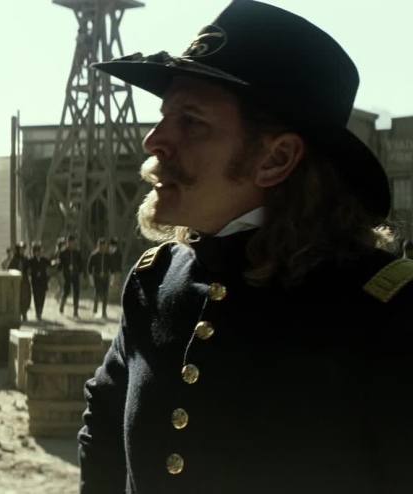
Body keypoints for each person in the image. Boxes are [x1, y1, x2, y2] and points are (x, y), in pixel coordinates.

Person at [78, 2, 413, 493]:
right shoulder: (154, 280)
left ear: (276, 159)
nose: (154, 141)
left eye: (191, 122)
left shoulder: (385, 313)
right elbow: (104, 423)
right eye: (164, 116)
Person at [58, 234, 83, 317]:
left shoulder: (77, 252)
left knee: (76, 292)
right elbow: (60, 265)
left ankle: (75, 311)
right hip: (67, 275)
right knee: (66, 291)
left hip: (75, 274)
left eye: (72, 242)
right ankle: (62, 304)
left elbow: (80, 264)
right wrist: (60, 273)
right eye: (69, 242)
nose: (71, 244)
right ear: (67, 242)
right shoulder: (63, 253)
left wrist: (80, 273)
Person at [86, 237, 112, 319]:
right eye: (101, 246)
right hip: (97, 277)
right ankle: (95, 309)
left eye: (104, 246)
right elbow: (89, 267)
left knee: (105, 295)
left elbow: (112, 268)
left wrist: (112, 279)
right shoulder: (94, 255)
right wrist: (91, 279)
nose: (103, 248)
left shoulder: (108, 256)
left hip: (106, 277)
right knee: (97, 293)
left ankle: (104, 312)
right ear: (98, 246)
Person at [7, 241, 32, 321]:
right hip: (16, 282)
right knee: (17, 297)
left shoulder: (25, 259)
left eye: (23, 249)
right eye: (21, 249)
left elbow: (28, 269)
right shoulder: (14, 260)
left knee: (26, 297)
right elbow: (10, 270)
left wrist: (28, 270)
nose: (22, 251)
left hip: (24, 281)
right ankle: (17, 313)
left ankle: (24, 313)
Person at [27, 242, 50, 321]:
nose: (38, 253)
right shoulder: (31, 261)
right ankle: (37, 312)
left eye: (39, 251)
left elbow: (50, 264)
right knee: (36, 298)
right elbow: (28, 269)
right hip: (35, 282)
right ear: (34, 252)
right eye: (36, 251)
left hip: (43, 281)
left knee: (42, 297)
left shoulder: (44, 260)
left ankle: (40, 311)